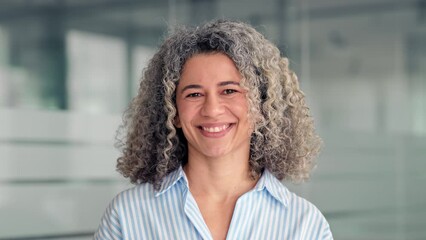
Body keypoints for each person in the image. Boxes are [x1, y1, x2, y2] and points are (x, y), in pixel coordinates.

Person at [94, 19, 333, 240]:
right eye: (194, 94)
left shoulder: (304, 224)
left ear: (261, 107)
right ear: (173, 112)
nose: (212, 109)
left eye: (229, 91)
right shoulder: (126, 216)